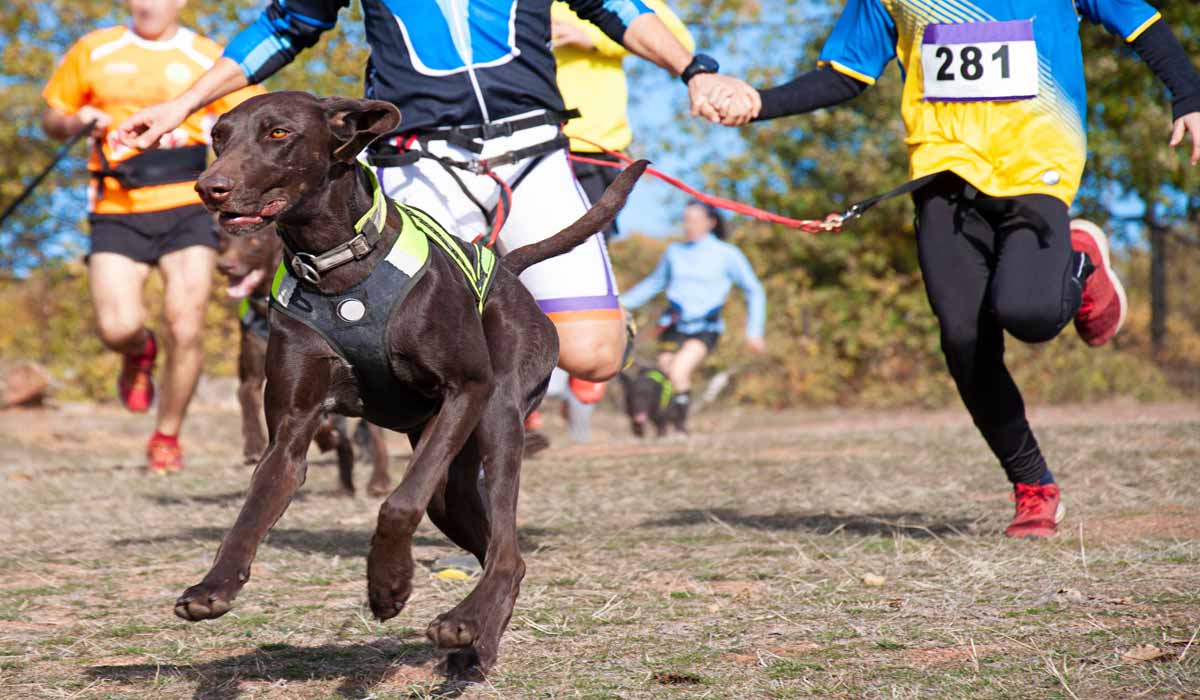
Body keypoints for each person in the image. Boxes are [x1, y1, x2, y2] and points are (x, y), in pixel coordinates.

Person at [114, 0, 762, 396]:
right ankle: (464, 447)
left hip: (532, 149)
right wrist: (180, 105)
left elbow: (616, 5)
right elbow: (286, 23)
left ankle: (497, 387)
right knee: (399, 349)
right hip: (418, 159)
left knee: (594, 358)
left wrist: (695, 70)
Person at [727, 0, 1200, 538]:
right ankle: (1033, 486)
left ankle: (1081, 260)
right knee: (964, 341)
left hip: (1035, 166)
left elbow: (1137, 19)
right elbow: (845, 73)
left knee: (1031, 314)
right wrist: (758, 103)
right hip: (942, 178)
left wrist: (1188, 94)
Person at [41, 0, 263, 474]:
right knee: (117, 326)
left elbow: (253, 116)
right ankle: (138, 352)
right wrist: (82, 121)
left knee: (186, 325)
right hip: (116, 208)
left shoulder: (207, 56)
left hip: (187, 206)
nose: (147, 5)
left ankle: (167, 436)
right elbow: (52, 119)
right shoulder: (95, 50)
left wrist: (215, 130)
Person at [551, 0, 695, 240]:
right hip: (525, 141)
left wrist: (592, 37)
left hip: (593, 146)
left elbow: (680, 44)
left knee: (587, 248)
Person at [622, 201, 767, 433]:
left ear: (710, 222)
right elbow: (653, 284)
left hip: (705, 327)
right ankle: (662, 426)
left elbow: (754, 290)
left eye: (694, 220)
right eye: (685, 220)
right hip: (673, 324)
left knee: (679, 370)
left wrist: (754, 331)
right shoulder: (674, 252)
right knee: (665, 372)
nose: (688, 226)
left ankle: (680, 429)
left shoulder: (727, 254)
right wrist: (617, 303)